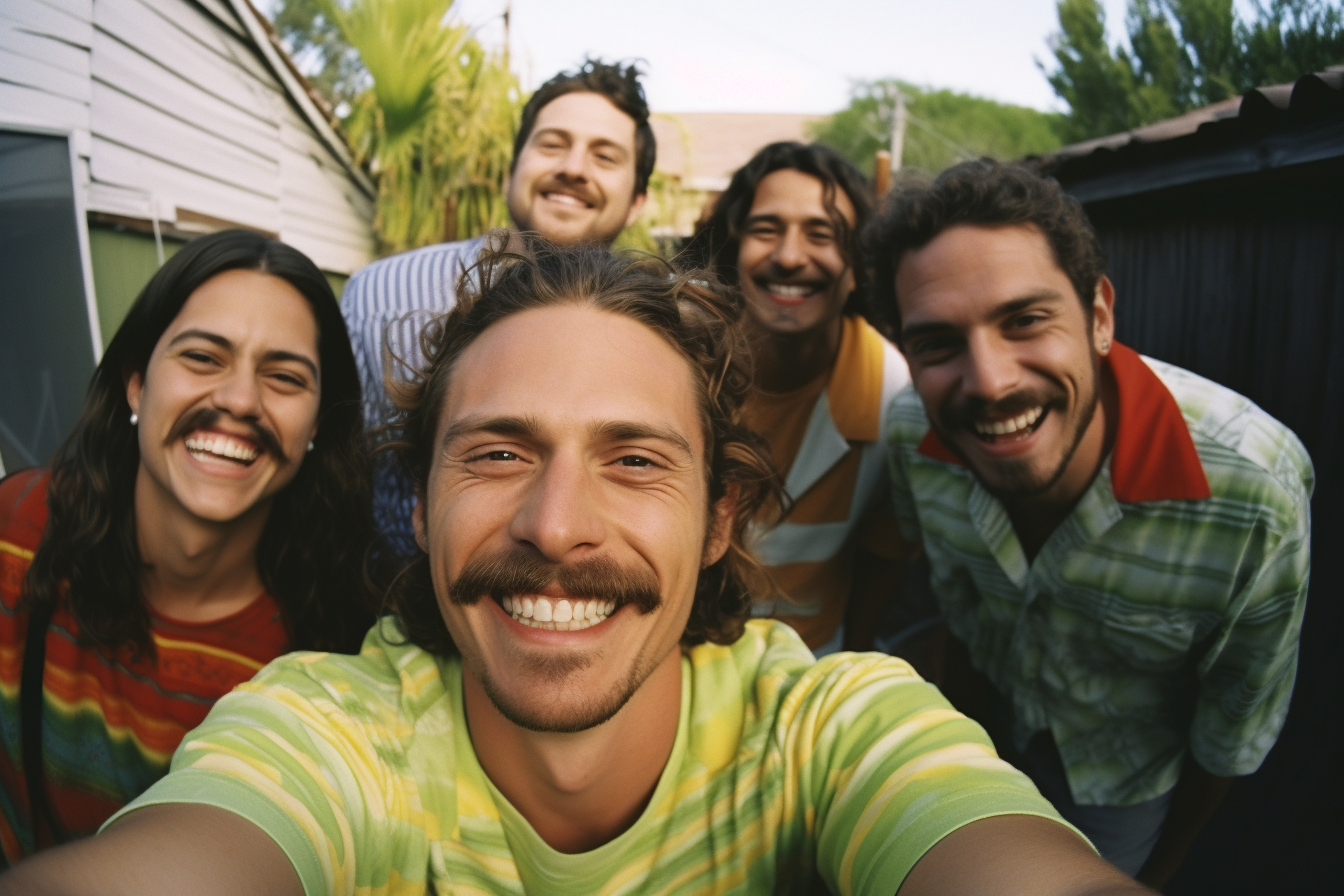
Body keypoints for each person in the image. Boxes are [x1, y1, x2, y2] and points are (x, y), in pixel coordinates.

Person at [0, 238, 1152, 896]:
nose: (556, 525)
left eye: (636, 459)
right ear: (424, 499)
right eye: (498, 451)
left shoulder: (825, 722)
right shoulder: (329, 720)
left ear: (720, 519)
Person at [864, 159, 1313, 886]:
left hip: (1123, 786)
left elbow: (1229, 732)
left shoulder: (1252, 491)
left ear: (1099, 317)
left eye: (1025, 320)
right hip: (976, 736)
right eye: (939, 343)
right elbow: (945, 594)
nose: (990, 381)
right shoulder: (912, 434)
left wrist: (1155, 874)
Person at [0, 230, 378, 864]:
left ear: (317, 426)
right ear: (135, 384)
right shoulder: (18, 531)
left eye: (284, 377)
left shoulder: (335, 655)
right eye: (203, 358)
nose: (237, 401)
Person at [342, 58, 655, 558]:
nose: (573, 168)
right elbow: (341, 477)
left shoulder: (658, 335)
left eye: (605, 156)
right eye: (552, 144)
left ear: (637, 200)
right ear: (513, 169)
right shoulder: (382, 295)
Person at [687, 143, 912, 656]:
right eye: (766, 229)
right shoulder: (674, 359)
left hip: (806, 679)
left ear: (857, 266)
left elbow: (885, 556)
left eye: (822, 234)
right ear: (732, 246)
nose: (789, 257)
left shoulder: (893, 396)